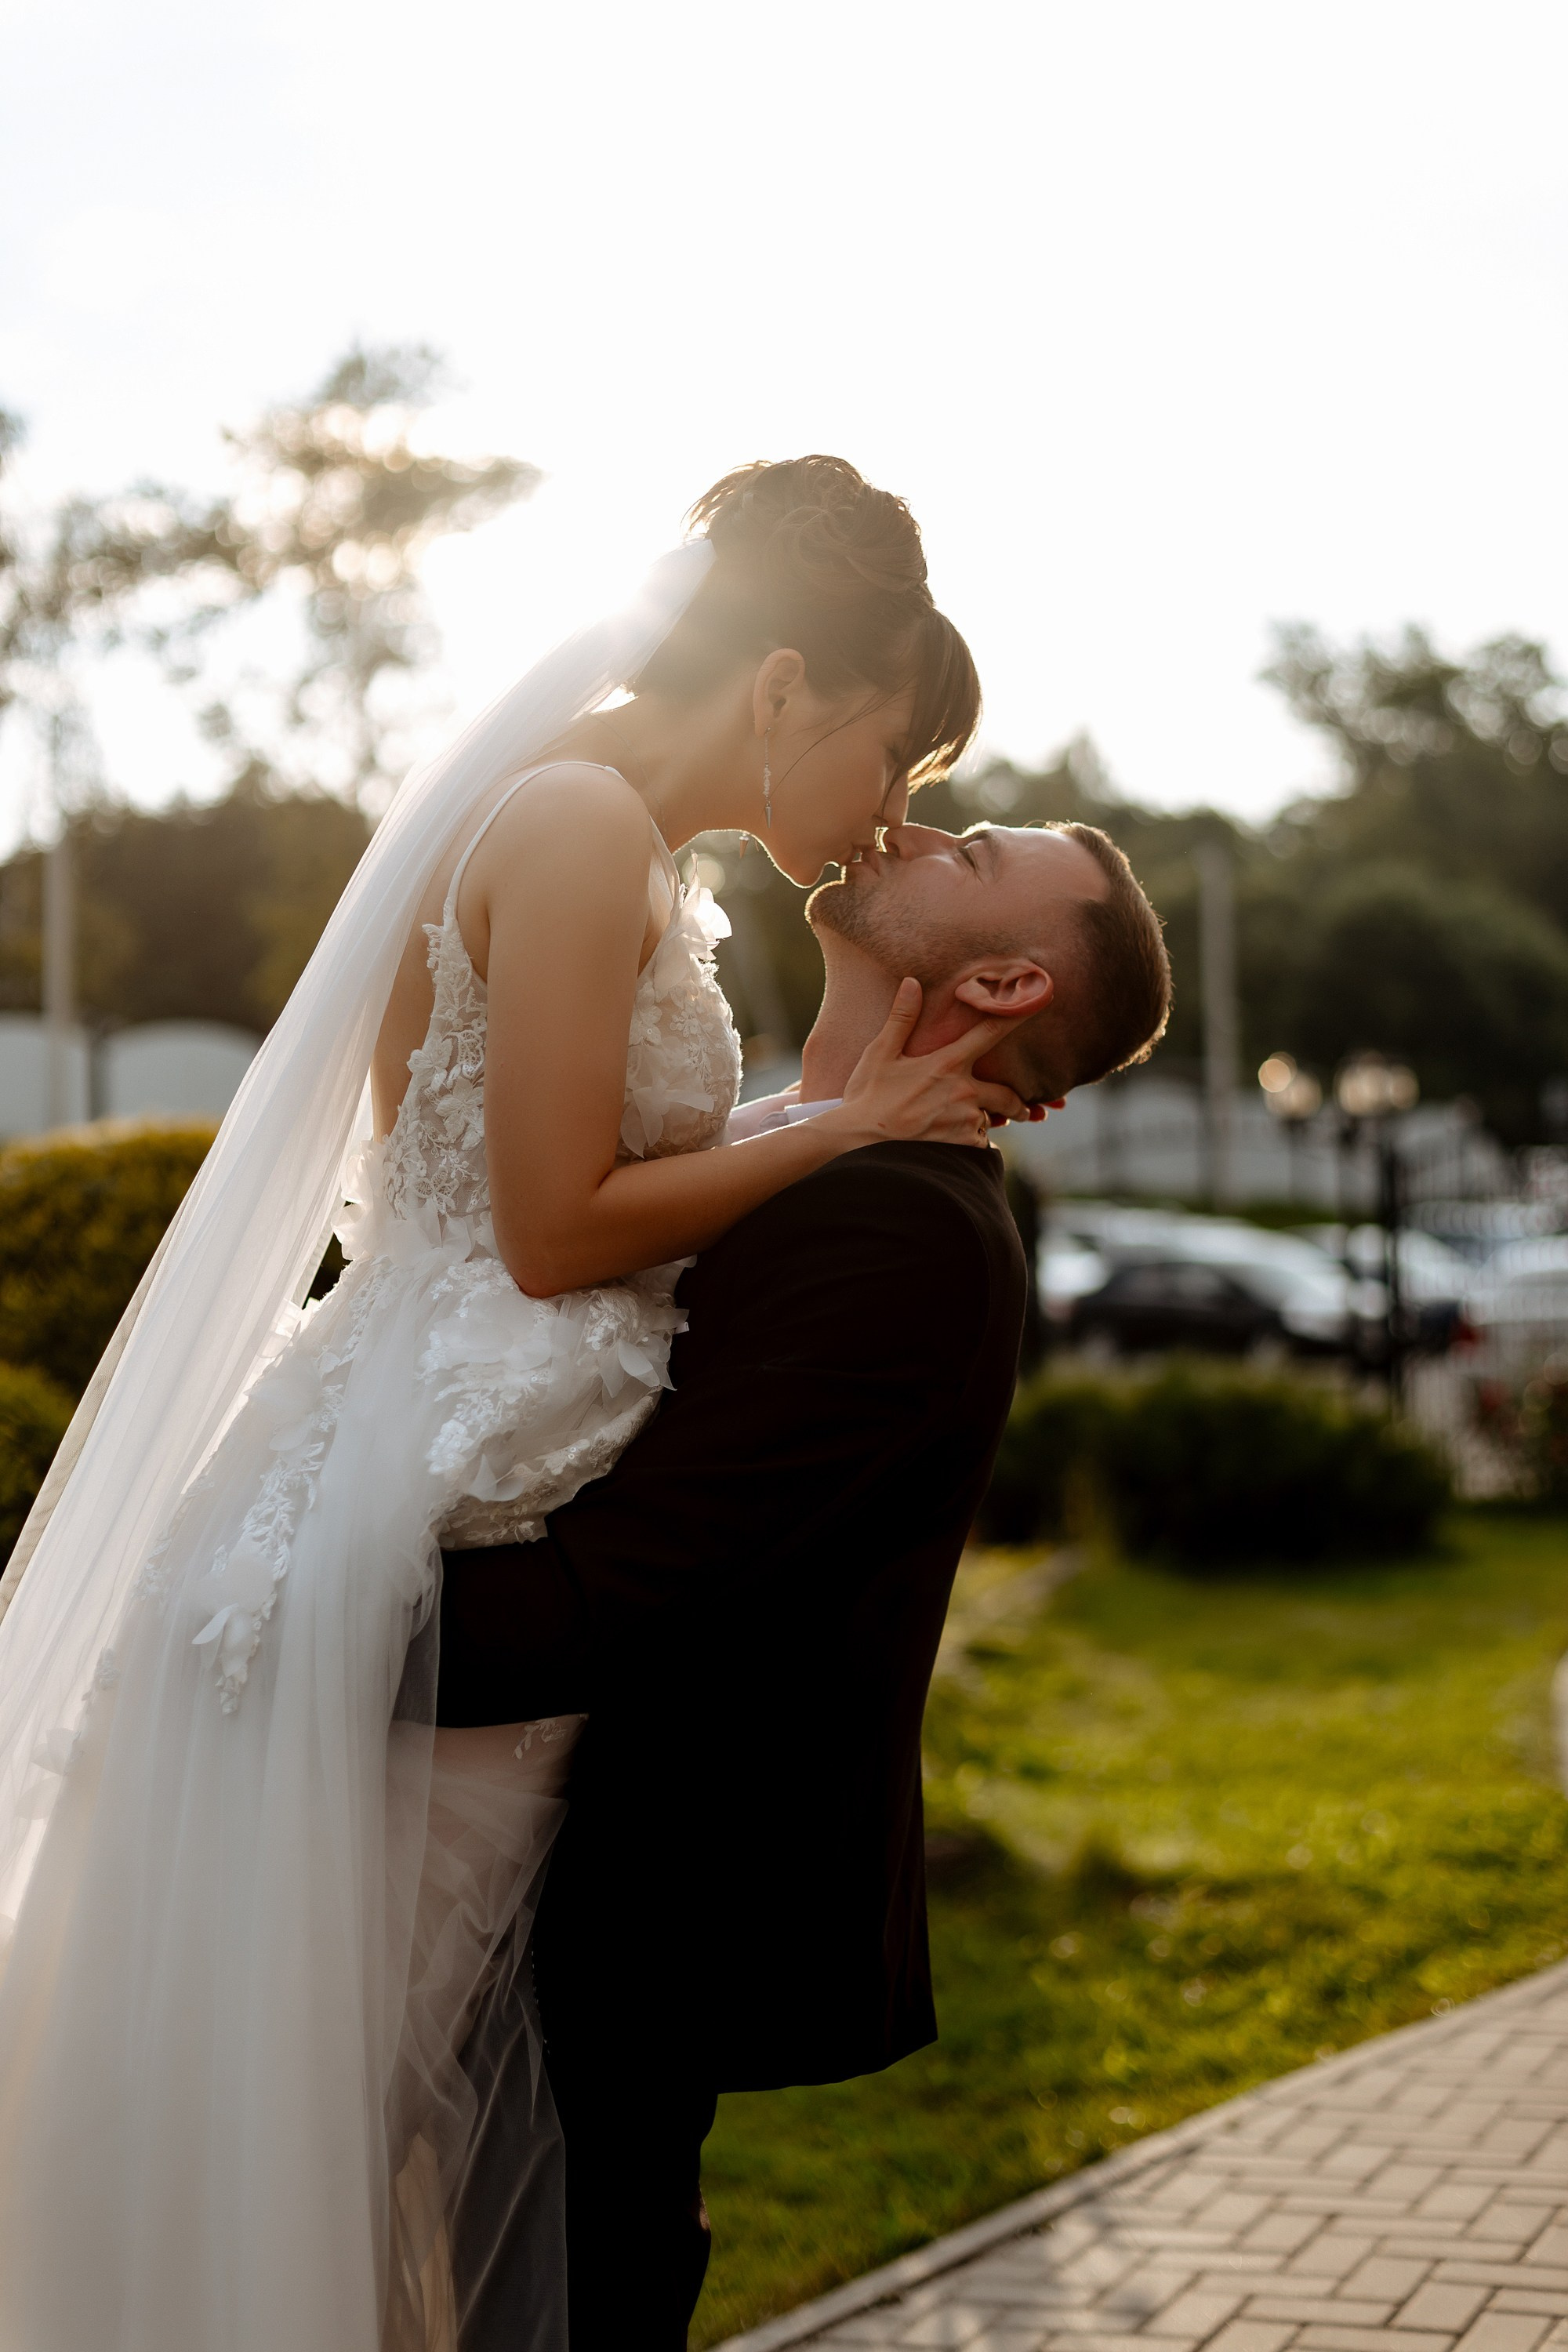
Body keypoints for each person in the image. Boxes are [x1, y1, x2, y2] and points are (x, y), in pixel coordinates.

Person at [0, 459, 1015, 2352]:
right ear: (790, 683)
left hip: (446, 1433)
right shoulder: (566, 825)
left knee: (352, 2079)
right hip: (455, 1482)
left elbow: (448, 1170)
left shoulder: (599, 839)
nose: (880, 815)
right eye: (891, 754)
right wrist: (846, 1132)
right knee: (338, 2072)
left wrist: (829, 1113)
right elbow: (547, 1231)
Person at [437, 812, 1173, 2348]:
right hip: (511, 1867)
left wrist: (266, 1636)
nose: (910, 824)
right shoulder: (802, 1157)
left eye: (968, 854)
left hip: (631, 1913)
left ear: (1006, 982)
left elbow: (619, 1595)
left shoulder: (903, 1229)